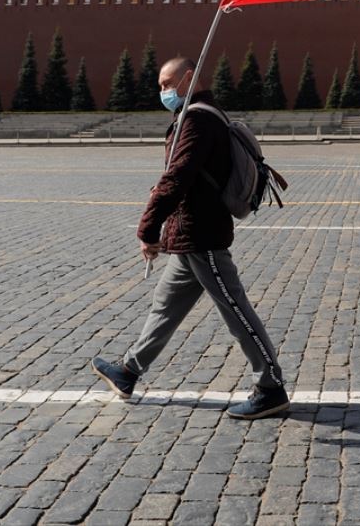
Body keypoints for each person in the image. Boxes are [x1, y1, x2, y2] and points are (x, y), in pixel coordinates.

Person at [92, 56, 290, 419]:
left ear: (188, 78)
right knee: (165, 305)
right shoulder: (200, 115)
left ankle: (271, 386)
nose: (162, 92)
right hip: (189, 235)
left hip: (202, 235)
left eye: (167, 85)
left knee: (235, 309)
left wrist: (148, 229)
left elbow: (177, 177)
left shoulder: (197, 119)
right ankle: (129, 371)